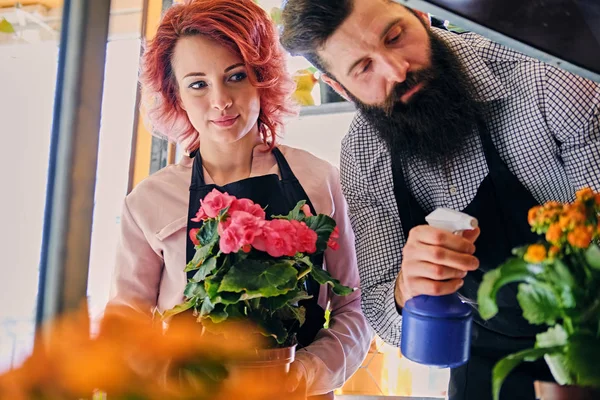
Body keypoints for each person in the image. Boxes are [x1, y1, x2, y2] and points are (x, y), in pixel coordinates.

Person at [280, 0, 600, 399]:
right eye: (364, 68)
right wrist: (406, 289)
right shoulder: (363, 154)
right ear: (339, 88)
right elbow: (381, 311)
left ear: (420, 15)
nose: (397, 70)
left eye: (396, 36)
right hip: (483, 362)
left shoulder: (547, 83)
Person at [107, 0, 371, 397]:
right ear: (175, 94)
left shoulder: (319, 179)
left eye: (235, 76)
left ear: (261, 78)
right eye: (198, 84)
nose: (220, 100)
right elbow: (127, 321)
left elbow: (356, 307)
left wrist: (305, 373)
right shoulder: (148, 201)